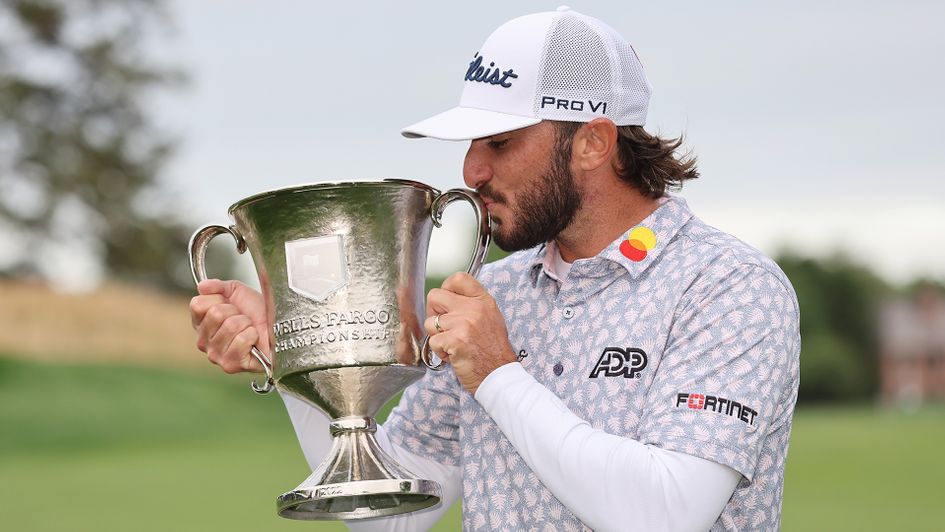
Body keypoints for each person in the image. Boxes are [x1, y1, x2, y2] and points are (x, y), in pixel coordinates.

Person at [190, 7, 800, 531]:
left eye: (500, 142)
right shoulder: (496, 294)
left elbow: (665, 514)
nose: (471, 171)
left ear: (593, 141)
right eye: (471, 144)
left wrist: (498, 374)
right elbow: (395, 512)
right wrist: (299, 352)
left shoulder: (730, 286)